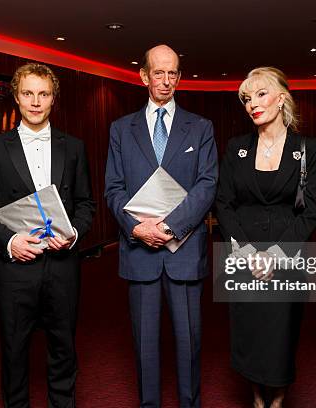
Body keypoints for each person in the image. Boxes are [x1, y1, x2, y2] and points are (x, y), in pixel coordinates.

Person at [104, 44, 218, 408]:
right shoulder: (121, 129)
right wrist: (136, 229)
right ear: (144, 76)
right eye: (159, 73)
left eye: (173, 73)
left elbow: (207, 184)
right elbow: (113, 188)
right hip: (140, 253)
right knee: (145, 347)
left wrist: (170, 227)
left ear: (179, 77)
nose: (166, 81)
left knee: (189, 344)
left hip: (184, 251)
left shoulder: (201, 128)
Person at [0, 63, 95, 408]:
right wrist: (10, 242)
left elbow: (87, 203)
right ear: (16, 97)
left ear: (53, 99)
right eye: (28, 93)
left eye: (43, 94)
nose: (35, 101)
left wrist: (73, 233)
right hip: (16, 269)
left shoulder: (73, 147)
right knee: (14, 352)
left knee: (64, 348)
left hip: (62, 266)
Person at [215, 67, 316, 408]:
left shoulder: (309, 148)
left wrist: (275, 254)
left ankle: (276, 402)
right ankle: (257, 401)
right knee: (249, 334)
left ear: (281, 98)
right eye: (247, 98)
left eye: (261, 94)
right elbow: (224, 203)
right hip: (243, 255)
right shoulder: (237, 148)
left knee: (280, 337)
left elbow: (311, 211)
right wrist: (249, 252)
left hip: (286, 258)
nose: (252, 104)